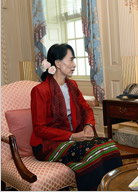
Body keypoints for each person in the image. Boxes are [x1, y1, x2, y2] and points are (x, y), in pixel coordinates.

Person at [30, 43, 123, 191]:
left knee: (109, 145)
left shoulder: (72, 85)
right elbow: (39, 129)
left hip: (72, 136)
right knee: (94, 151)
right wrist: (72, 136)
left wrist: (88, 126)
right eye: (71, 60)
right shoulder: (40, 91)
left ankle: (116, 187)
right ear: (58, 63)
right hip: (47, 145)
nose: (74, 64)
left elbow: (87, 110)